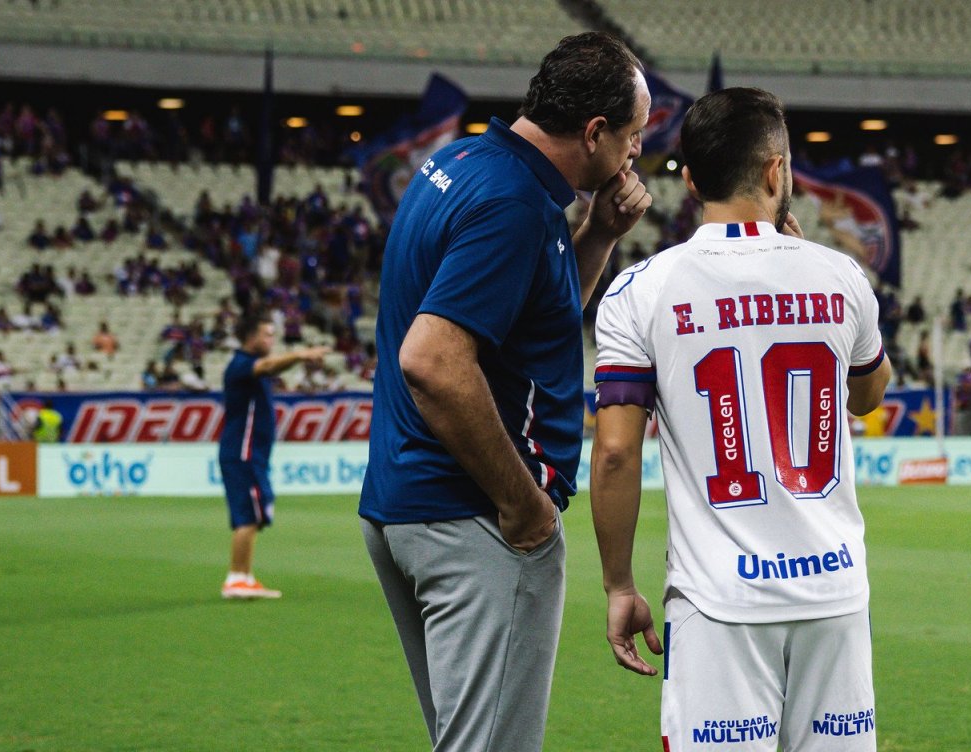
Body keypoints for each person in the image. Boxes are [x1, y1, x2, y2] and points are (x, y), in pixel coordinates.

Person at [358, 31, 652, 752]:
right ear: (594, 132)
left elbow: (526, 330)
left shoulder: (462, 161)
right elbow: (431, 358)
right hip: (474, 522)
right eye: (636, 135)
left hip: (406, 504)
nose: (638, 154)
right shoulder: (514, 206)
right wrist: (525, 507)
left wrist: (597, 238)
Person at [590, 88, 891, 752]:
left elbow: (614, 454)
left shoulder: (641, 290)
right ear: (777, 171)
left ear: (691, 180)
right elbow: (868, 393)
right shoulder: (841, 277)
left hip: (719, 601)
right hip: (833, 592)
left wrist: (619, 583)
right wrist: (813, 285)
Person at [219, 315, 327, 600]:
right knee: (248, 516)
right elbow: (268, 364)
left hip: (250, 454)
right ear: (250, 337)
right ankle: (236, 578)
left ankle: (244, 576)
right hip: (243, 453)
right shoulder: (242, 365)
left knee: (254, 513)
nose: (271, 340)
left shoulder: (247, 368)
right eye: (267, 334)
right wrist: (300, 354)